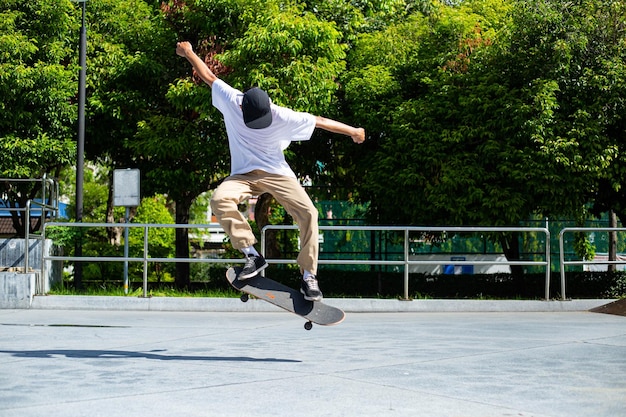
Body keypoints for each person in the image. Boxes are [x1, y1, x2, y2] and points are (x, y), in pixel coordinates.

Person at [176, 41, 365, 301]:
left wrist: (353, 131)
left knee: (309, 213)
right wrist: (189, 53)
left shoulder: (282, 115)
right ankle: (252, 256)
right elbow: (209, 77)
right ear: (241, 107)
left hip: (277, 173)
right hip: (243, 175)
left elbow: (320, 122)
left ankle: (309, 276)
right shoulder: (231, 99)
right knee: (219, 200)